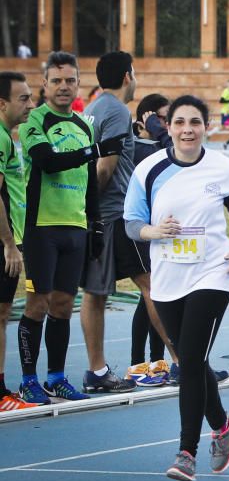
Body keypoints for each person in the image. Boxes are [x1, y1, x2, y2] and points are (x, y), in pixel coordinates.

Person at [124, 95, 229, 481]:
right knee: (193, 362)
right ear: (169, 126)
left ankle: (186, 452)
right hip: (167, 279)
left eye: (195, 122)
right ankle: (223, 424)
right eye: (180, 122)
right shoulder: (149, 169)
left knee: (191, 360)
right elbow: (131, 222)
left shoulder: (223, 168)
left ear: (206, 126)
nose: (187, 129)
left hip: (212, 274)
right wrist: (153, 232)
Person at [17, 51, 127, 404]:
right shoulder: (36, 119)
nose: (63, 87)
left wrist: (94, 226)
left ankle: (57, 377)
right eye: (56, 81)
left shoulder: (84, 125)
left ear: (79, 83)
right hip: (41, 229)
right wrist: (91, 151)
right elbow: (47, 161)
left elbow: (90, 182)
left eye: (69, 80)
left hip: (75, 229)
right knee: (37, 304)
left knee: (63, 305)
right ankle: (28, 380)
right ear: (45, 85)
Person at [80, 51, 157, 395]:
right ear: (128, 76)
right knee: (154, 284)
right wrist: (95, 207)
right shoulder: (114, 111)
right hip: (116, 215)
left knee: (95, 293)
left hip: (97, 217)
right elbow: (105, 168)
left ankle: (97, 370)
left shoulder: (92, 110)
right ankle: (186, 362)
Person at [126, 93, 180, 385]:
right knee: (150, 291)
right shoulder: (141, 149)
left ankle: (156, 363)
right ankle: (139, 363)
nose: (166, 123)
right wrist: (159, 132)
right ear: (144, 121)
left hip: (162, 230)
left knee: (151, 296)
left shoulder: (160, 148)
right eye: (161, 118)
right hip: (141, 230)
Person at [0, 72, 37, 411]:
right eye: (23, 98)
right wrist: (10, 244)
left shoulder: (7, 137)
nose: (30, 103)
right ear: (2, 103)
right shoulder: (0, 138)